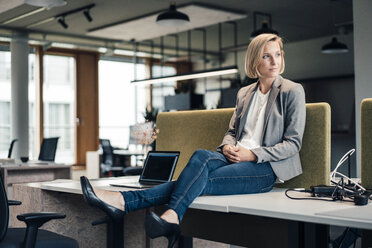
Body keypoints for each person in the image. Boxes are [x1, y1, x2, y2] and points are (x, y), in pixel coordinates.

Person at [80, 33, 306, 248]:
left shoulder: (292, 91)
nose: (274, 61)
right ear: (255, 59)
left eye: (277, 54)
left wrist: (254, 154)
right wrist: (227, 145)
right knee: (201, 155)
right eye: (266, 55)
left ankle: (130, 203)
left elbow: (293, 144)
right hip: (234, 157)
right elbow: (232, 131)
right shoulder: (245, 93)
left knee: (199, 181)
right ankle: (166, 216)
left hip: (264, 168)